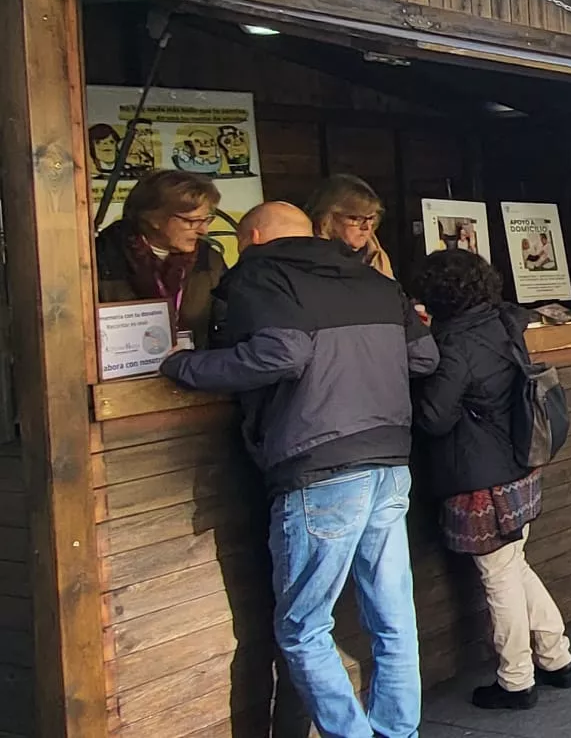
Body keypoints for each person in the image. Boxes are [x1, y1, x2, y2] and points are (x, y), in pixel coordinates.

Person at [158, 201, 439, 738]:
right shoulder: (374, 279)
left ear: (255, 236)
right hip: (389, 463)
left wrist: (182, 365)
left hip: (320, 466)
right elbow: (424, 359)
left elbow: (279, 355)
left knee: (302, 627)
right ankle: (399, 731)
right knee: (392, 613)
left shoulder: (261, 274)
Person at [413, 249, 571, 711]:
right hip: (517, 464)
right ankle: (556, 655)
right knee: (512, 563)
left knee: (497, 575)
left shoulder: (455, 344)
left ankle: (516, 680)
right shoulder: (503, 322)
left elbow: (432, 418)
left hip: (479, 475)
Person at [95, 169, 229, 348]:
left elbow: (227, 323)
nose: (203, 230)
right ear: (154, 218)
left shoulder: (210, 261)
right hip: (123, 370)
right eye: (191, 221)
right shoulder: (100, 258)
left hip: (190, 371)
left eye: (206, 220)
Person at [307, 174, 396, 279]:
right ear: (326, 218)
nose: (367, 227)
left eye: (371, 218)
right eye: (357, 218)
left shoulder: (374, 254)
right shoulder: (307, 258)